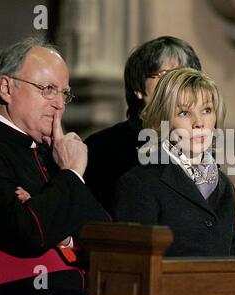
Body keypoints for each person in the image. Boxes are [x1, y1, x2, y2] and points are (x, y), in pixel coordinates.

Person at [0, 37, 111, 295]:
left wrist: (63, 234)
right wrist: (70, 175)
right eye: (47, 89)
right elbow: (29, 232)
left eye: (64, 93)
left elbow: (106, 239)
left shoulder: (53, 154)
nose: (59, 103)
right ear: (6, 88)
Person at [111, 68, 235, 257]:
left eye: (207, 110)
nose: (199, 123)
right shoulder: (139, 184)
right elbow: (135, 263)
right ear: (164, 120)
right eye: (184, 113)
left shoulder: (224, 185)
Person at [84, 36, 202, 213]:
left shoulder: (197, 140)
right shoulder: (103, 146)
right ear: (138, 89)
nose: (176, 85)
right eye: (166, 75)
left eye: (185, 76)